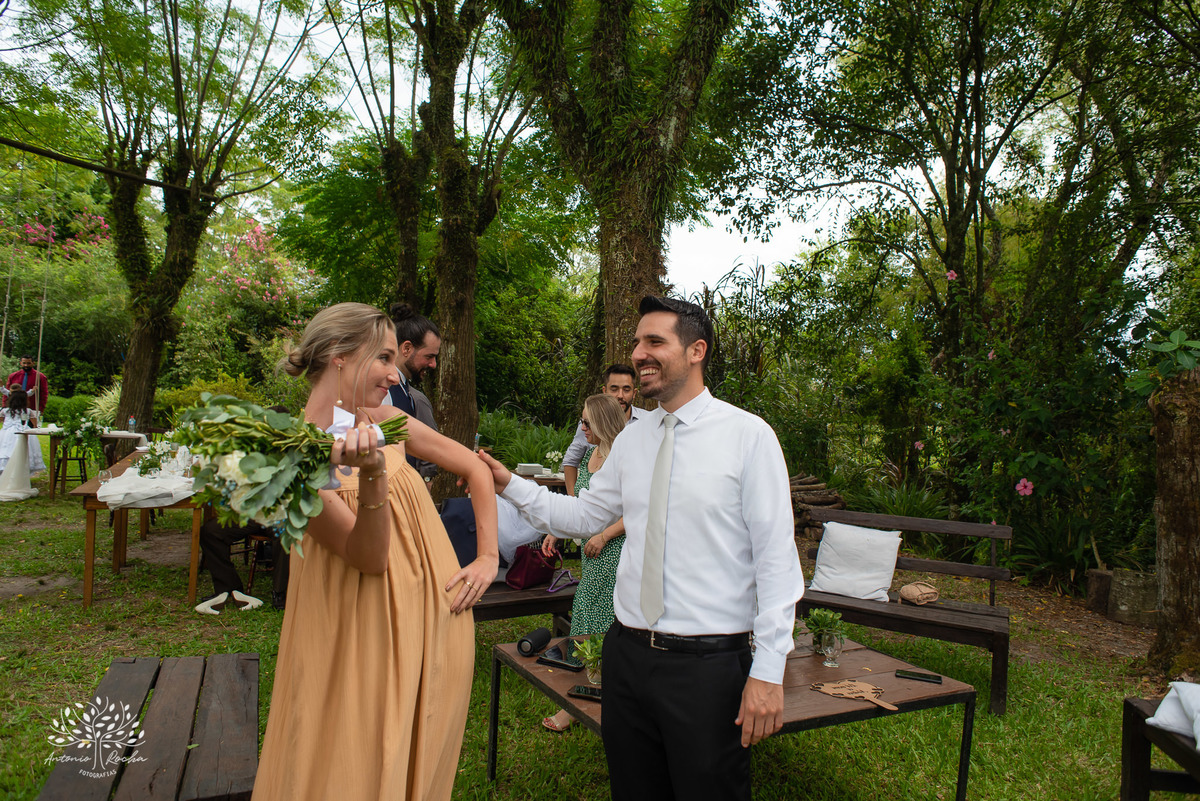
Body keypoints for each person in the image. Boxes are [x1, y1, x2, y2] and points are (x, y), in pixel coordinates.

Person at [479, 296, 804, 800]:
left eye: (655, 341)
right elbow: (586, 516)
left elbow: (778, 562)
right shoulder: (632, 440)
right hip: (626, 655)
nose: (639, 353)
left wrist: (769, 671)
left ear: (697, 350)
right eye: (636, 342)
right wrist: (509, 485)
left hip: (707, 667)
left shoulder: (748, 437)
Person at [252, 302, 498, 801]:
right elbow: (367, 556)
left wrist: (489, 557)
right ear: (340, 355)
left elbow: (474, 469)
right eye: (383, 357)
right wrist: (372, 475)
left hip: (438, 621)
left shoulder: (385, 418)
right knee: (352, 765)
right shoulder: (292, 461)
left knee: (420, 764)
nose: (393, 373)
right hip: (361, 637)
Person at [539, 392, 627, 732]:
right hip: (591, 557)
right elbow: (583, 508)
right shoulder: (591, 454)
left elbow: (638, 512)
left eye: (587, 422)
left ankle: (594, 698)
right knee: (585, 618)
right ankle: (587, 695)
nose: (582, 427)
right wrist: (557, 531)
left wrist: (604, 536)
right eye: (581, 420)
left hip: (615, 552)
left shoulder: (622, 457)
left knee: (604, 624)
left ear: (603, 422)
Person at [562, 364, 643, 495]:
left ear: (634, 393)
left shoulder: (647, 422)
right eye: (614, 389)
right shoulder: (589, 444)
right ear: (605, 391)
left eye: (626, 390)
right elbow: (571, 460)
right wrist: (573, 502)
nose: (620, 395)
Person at [382, 302, 440, 482]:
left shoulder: (408, 392)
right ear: (406, 348)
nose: (433, 365)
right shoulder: (383, 391)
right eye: (429, 356)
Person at [0, 386, 46, 474]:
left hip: (6, 433)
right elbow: (35, 425)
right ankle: (20, 472)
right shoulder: (28, 411)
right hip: (23, 431)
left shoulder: (5, 411)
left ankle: (5, 470)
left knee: (5, 449)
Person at [4, 356, 49, 424]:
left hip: (32, 409)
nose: (26, 365)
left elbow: (44, 394)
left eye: (28, 363)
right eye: (24, 363)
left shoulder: (40, 377)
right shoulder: (13, 376)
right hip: (14, 409)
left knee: (31, 429)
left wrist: (41, 409)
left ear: (33, 363)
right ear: (20, 363)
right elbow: (7, 393)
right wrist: (5, 406)